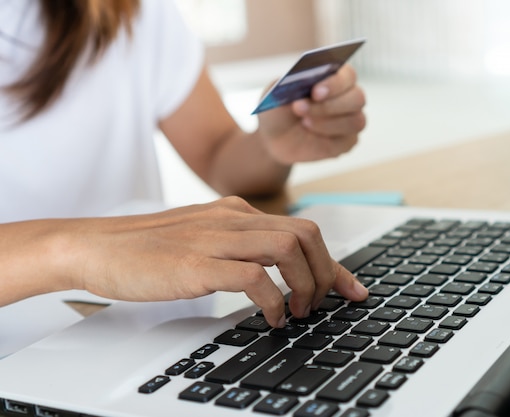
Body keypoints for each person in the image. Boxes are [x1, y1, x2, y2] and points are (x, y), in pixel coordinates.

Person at [0, 0, 368, 328]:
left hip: (139, 330)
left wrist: (270, 146)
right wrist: (79, 250)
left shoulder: (129, 9)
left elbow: (217, 154)